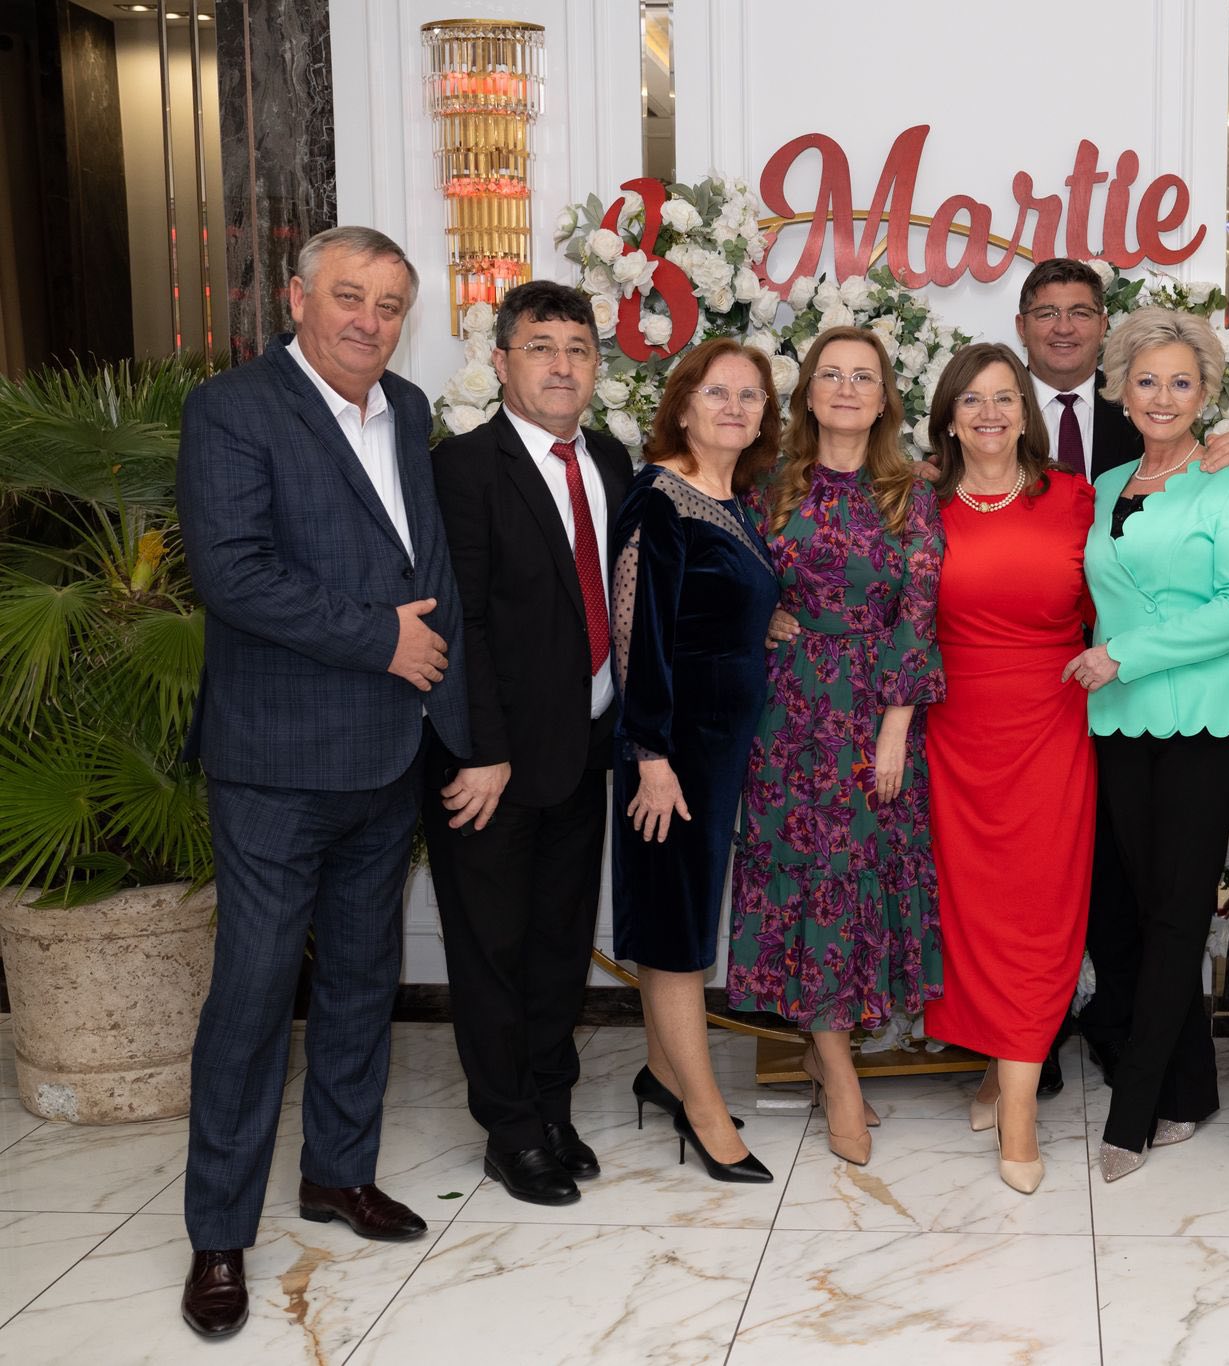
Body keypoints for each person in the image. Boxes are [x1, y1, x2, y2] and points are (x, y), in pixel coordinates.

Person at [175, 226, 469, 1338]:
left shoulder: (407, 410)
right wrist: (379, 640)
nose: (368, 321)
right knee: (253, 996)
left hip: (386, 754)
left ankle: (338, 1172)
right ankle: (218, 1233)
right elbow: (233, 572)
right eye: (349, 297)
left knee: (360, 978)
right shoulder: (233, 409)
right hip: (276, 762)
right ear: (298, 299)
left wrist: (455, 724)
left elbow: (426, 573)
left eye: (389, 305)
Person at [1011, 258, 1229, 1096]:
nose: (1064, 327)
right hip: (1073, 695)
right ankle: (1047, 1040)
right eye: (1047, 312)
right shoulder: (1004, 418)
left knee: (1157, 898)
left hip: (1159, 689)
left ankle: (1140, 1057)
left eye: (1081, 311)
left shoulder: (1203, 455)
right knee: (1094, 880)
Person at [421, 282, 626, 1207]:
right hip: (491, 766)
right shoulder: (463, 468)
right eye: (541, 347)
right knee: (492, 953)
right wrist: (479, 749)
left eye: (578, 349)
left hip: (584, 751)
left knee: (558, 946)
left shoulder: (609, 460)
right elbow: (457, 621)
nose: (561, 365)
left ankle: (551, 1107)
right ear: (501, 362)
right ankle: (509, 1129)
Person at [1065, 306, 1229, 1182]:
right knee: (1148, 909)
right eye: (1146, 380)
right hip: (1119, 721)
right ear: (1120, 388)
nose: (1162, 396)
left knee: (1179, 914)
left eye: (1181, 382)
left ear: (1206, 393)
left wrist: (1126, 655)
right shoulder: (1109, 482)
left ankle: (1135, 1111)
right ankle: (1193, 1085)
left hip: (1208, 720)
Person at [727, 325, 945, 1168]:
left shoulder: (908, 493)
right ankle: (838, 1069)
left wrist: (895, 725)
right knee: (806, 876)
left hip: (877, 716)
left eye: (863, 376)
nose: (847, 389)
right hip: (786, 714)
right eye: (831, 375)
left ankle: (834, 1055)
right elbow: (729, 584)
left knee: (859, 880)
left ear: (885, 398)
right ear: (808, 394)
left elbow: (919, 614)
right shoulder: (767, 486)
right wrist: (762, 618)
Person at [919, 343, 1095, 1195]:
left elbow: (1120, 601)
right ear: (949, 418)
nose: (989, 413)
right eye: (972, 400)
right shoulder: (919, 506)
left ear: (1027, 412)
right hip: (954, 734)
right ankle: (1001, 1069)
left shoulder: (1076, 499)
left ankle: (1019, 1106)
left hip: (1051, 727)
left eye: (1004, 398)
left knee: (1040, 911)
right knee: (973, 916)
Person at [611, 338, 787, 1185]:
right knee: (678, 931)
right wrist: (651, 754)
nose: (734, 408)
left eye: (750, 396)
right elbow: (637, 634)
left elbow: (714, 608)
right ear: (682, 406)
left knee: (676, 910)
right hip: (674, 751)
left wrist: (767, 621)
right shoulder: (659, 499)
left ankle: (661, 1070)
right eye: (717, 392)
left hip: (718, 746)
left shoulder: (733, 498)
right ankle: (707, 1116)